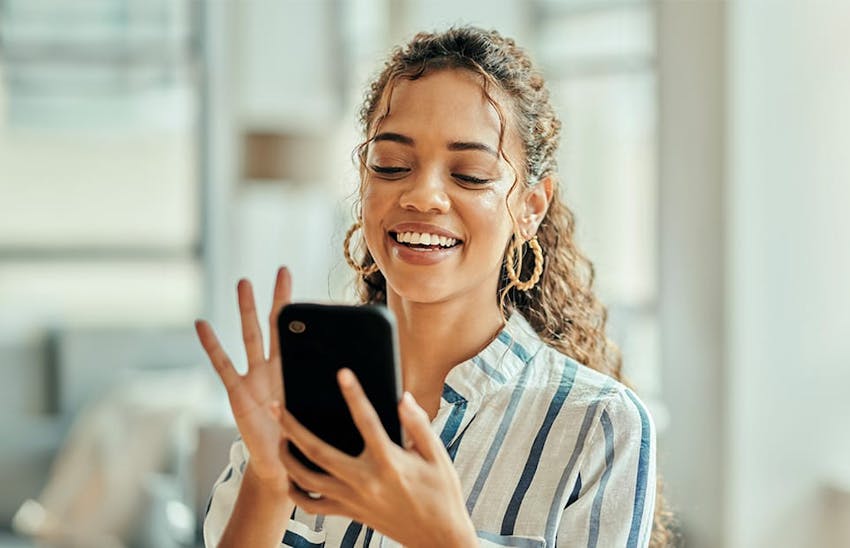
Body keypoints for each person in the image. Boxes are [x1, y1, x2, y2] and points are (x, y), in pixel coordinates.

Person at [195, 26, 672, 548]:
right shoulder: (302, 394)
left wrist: (444, 539)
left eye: (469, 174)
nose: (423, 196)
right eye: (392, 165)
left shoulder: (597, 425)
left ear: (531, 207)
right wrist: (267, 481)